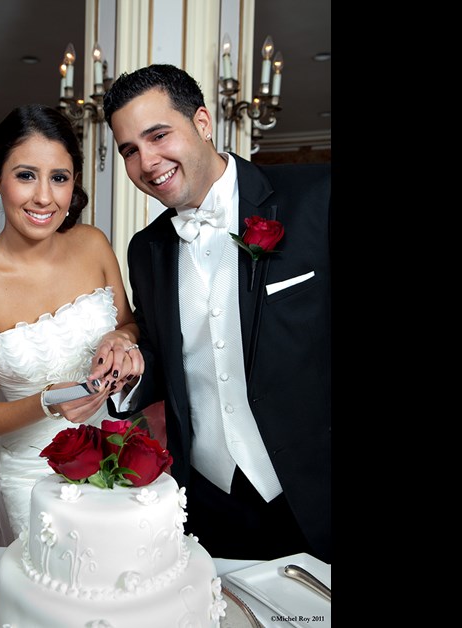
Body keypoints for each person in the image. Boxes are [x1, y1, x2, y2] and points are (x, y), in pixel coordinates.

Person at [102, 64, 331, 563]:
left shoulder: (315, 197)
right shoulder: (145, 249)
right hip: (208, 500)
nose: (147, 162)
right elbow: (166, 357)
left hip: (316, 493)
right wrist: (128, 369)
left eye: (158, 135)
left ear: (202, 122)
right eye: (129, 151)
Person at [0, 104, 144, 545]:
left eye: (59, 178)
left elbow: (129, 324)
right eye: (26, 175)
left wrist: (122, 338)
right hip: (33, 475)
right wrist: (49, 401)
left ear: (73, 183)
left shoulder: (93, 245)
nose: (44, 197)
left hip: (115, 449)